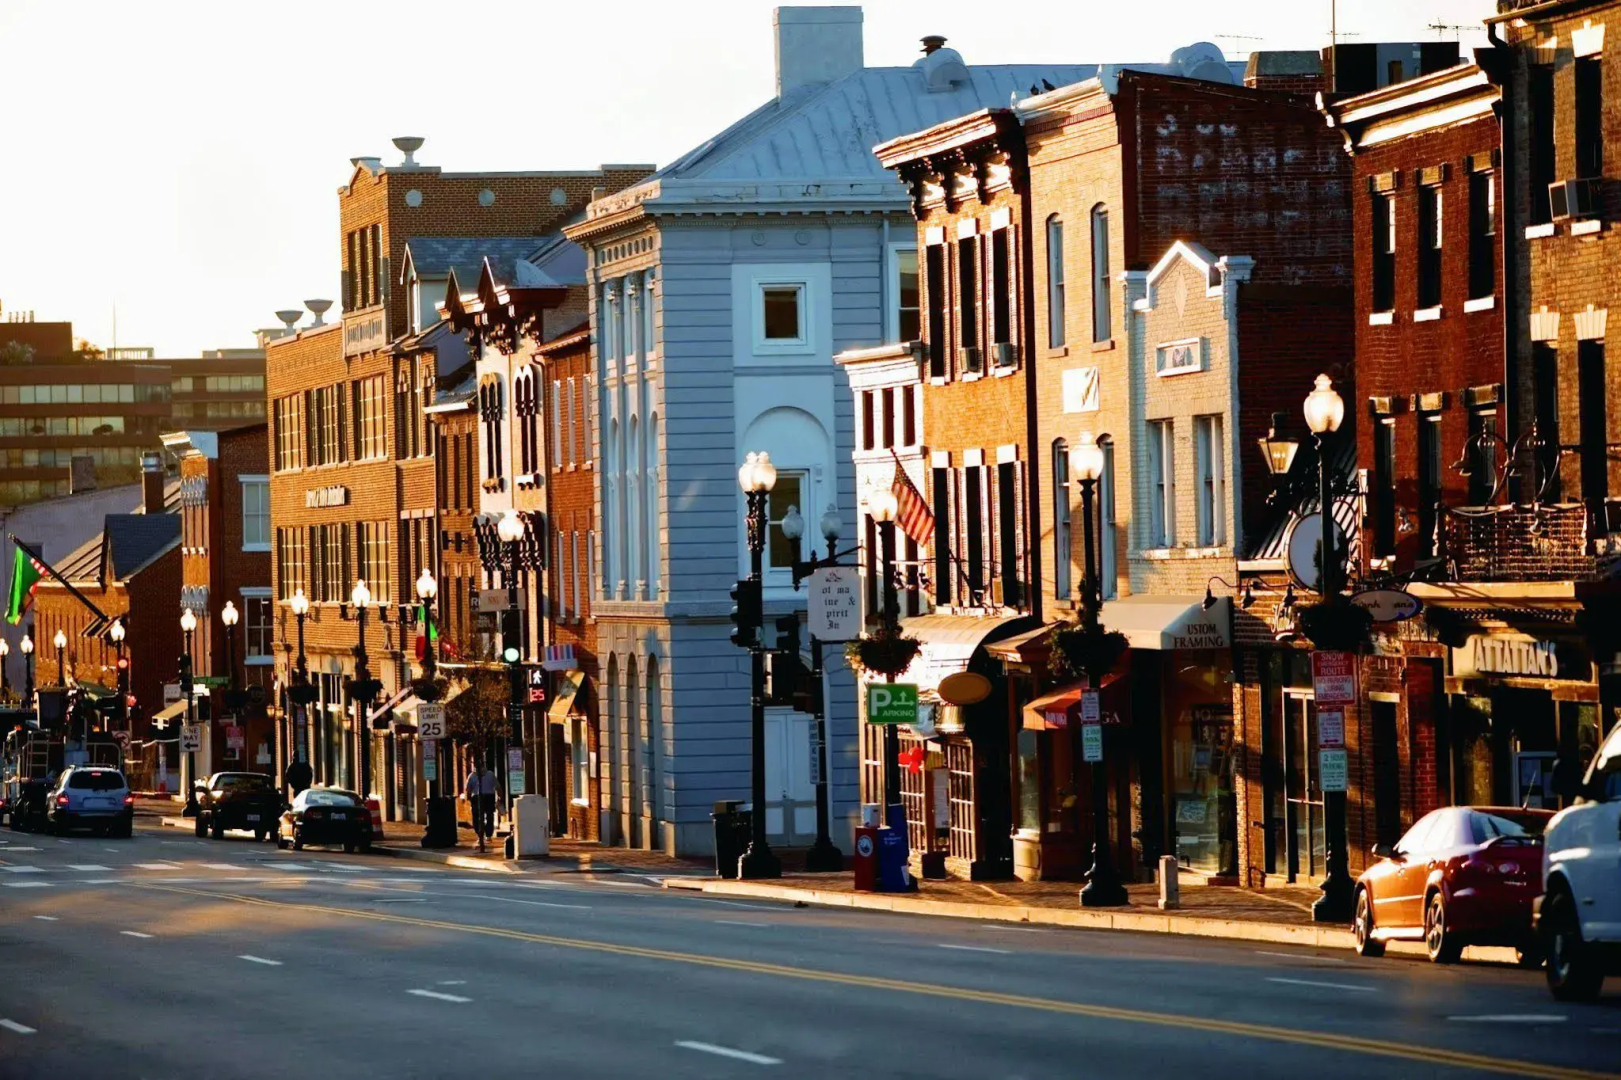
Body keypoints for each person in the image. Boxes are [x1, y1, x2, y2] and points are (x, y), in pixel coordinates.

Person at [463, 758, 499, 852]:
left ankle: (481, 835)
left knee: (477, 817)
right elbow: (498, 786)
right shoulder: (490, 774)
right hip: (489, 796)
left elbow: (468, 789)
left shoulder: (472, 775)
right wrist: (500, 796)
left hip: (477, 797)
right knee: (489, 815)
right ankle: (488, 835)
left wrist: (468, 798)